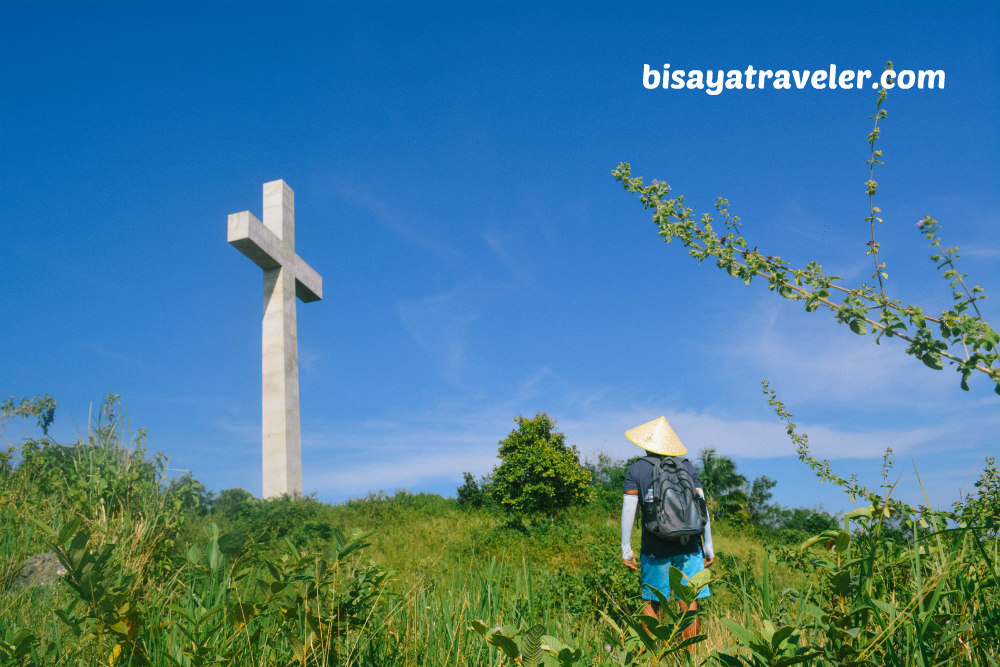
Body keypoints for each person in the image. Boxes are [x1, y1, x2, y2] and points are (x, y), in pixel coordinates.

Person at [620, 416, 714, 639]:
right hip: (690, 544)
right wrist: (708, 545)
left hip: (655, 546)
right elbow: (702, 507)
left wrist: (626, 548)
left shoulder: (637, 470)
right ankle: (689, 656)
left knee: (652, 600)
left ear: (646, 443)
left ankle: (652, 656)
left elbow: (628, 511)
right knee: (688, 599)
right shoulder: (687, 468)